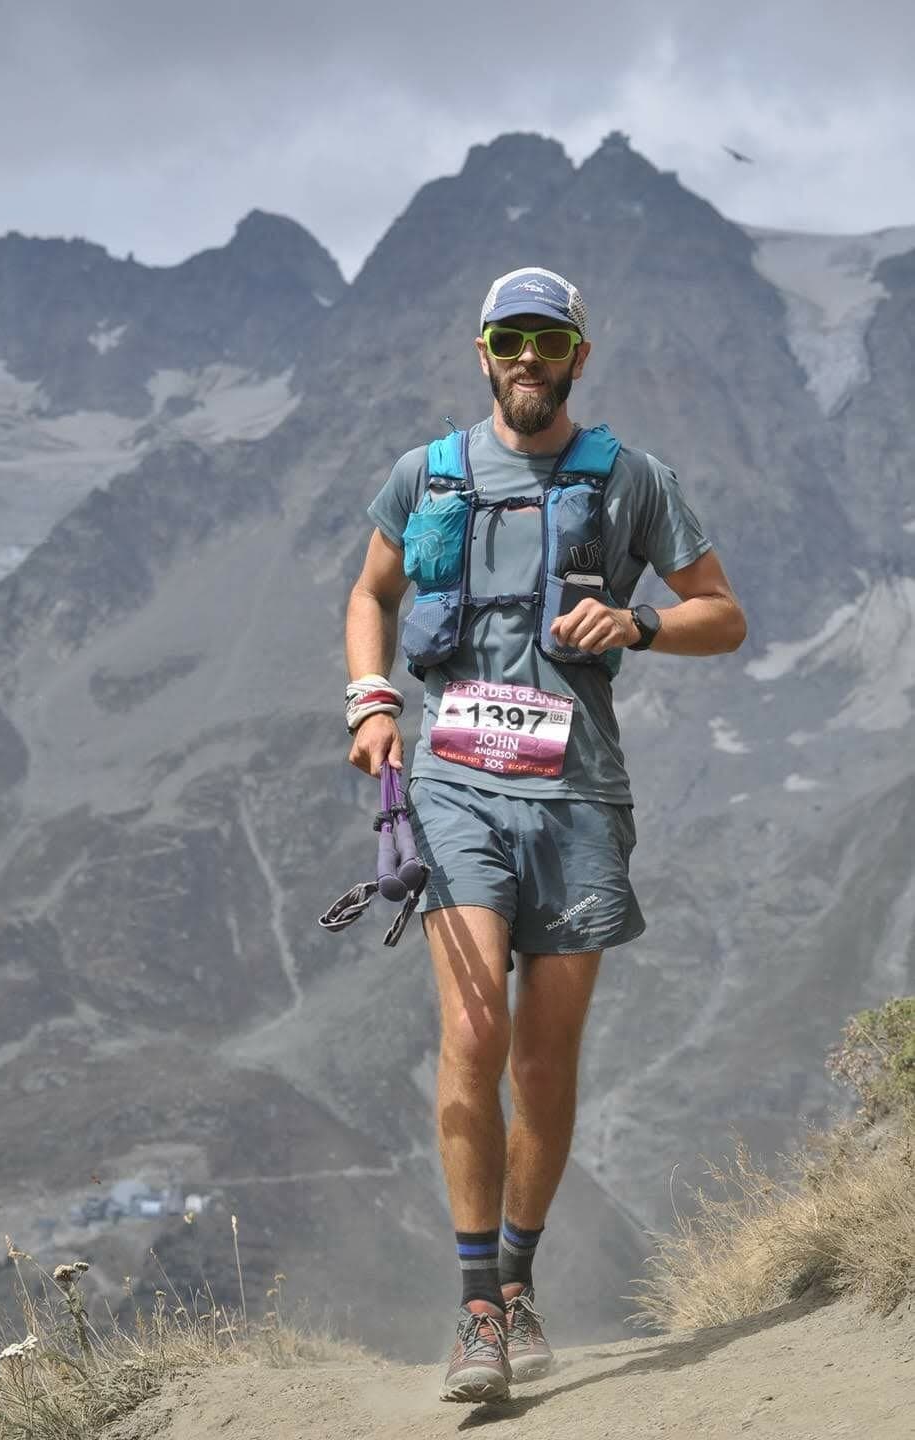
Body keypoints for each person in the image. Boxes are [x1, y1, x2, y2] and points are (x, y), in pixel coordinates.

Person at [344, 266, 746, 1403]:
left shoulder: (632, 480)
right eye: (508, 338)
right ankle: (475, 1311)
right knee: (471, 1031)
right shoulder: (423, 474)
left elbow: (723, 613)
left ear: (577, 353)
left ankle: (516, 1280)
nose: (528, 358)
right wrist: (368, 699)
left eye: (548, 340)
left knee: (542, 1057)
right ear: (481, 351)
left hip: (575, 795)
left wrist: (641, 620)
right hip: (455, 783)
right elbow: (368, 593)